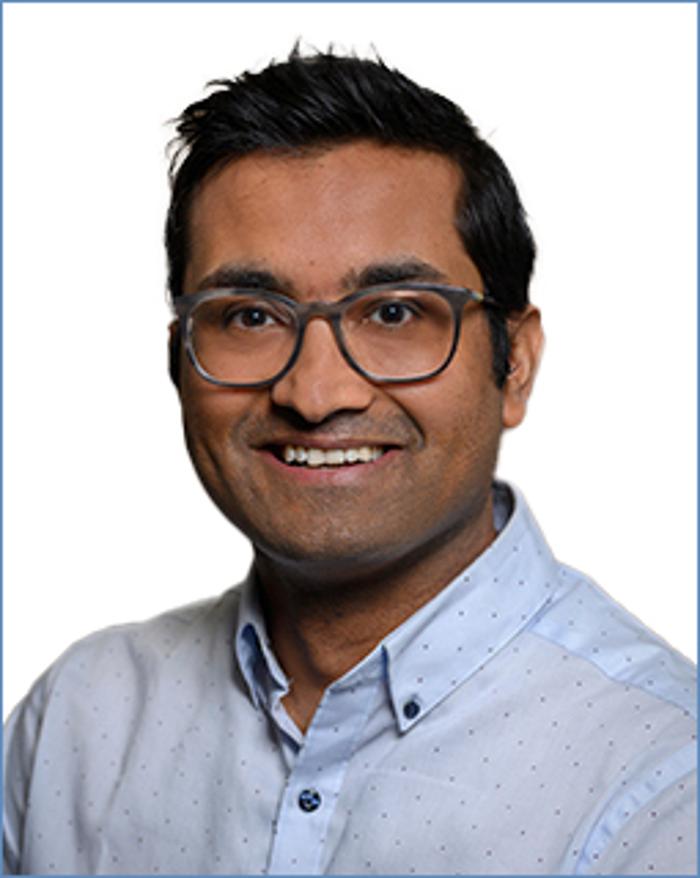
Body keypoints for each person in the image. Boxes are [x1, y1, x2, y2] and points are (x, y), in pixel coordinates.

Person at [4, 48, 696, 876]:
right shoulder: (75, 724)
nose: (315, 391)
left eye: (394, 312)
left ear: (514, 364)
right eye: (251, 316)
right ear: (178, 361)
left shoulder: (665, 784)